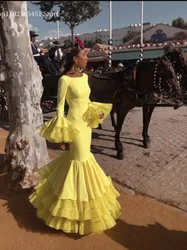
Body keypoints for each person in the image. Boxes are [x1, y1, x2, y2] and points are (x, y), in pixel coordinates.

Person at [29, 46, 121, 235]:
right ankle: (73, 211)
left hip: (86, 125)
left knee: (82, 160)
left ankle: (80, 212)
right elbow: (60, 107)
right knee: (79, 162)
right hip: (74, 127)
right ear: (75, 60)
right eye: (84, 56)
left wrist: (98, 112)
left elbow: (86, 102)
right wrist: (63, 134)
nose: (87, 58)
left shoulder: (86, 77)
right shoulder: (64, 80)